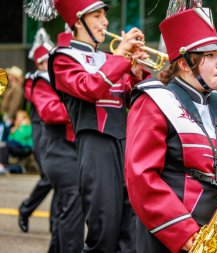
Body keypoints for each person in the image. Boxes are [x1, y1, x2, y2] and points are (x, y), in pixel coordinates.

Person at [125, 6, 217, 253]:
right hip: (171, 238)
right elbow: (141, 178)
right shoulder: (153, 102)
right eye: (211, 56)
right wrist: (183, 233)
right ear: (185, 63)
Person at [50, 0, 150, 251]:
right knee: (103, 232)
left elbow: (132, 100)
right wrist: (120, 59)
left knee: (131, 229)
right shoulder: (62, 58)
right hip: (95, 144)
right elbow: (90, 88)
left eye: (104, 15)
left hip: (126, 142)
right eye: (97, 16)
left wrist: (137, 72)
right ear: (77, 21)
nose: (105, 22)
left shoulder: (108, 58)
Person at [31, 41, 84, 251]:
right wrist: (79, 101)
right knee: (71, 211)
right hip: (58, 148)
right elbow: (50, 112)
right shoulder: (40, 81)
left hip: (74, 148)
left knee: (65, 212)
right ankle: (26, 211)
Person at [18, 30, 55, 233]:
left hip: (55, 132)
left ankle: (56, 224)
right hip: (41, 132)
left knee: (63, 183)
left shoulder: (54, 78)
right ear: (39, 63)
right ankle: (26, 209)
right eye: (47, 61)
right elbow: (35, 98)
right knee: (49, 177)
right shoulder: (34, 79)